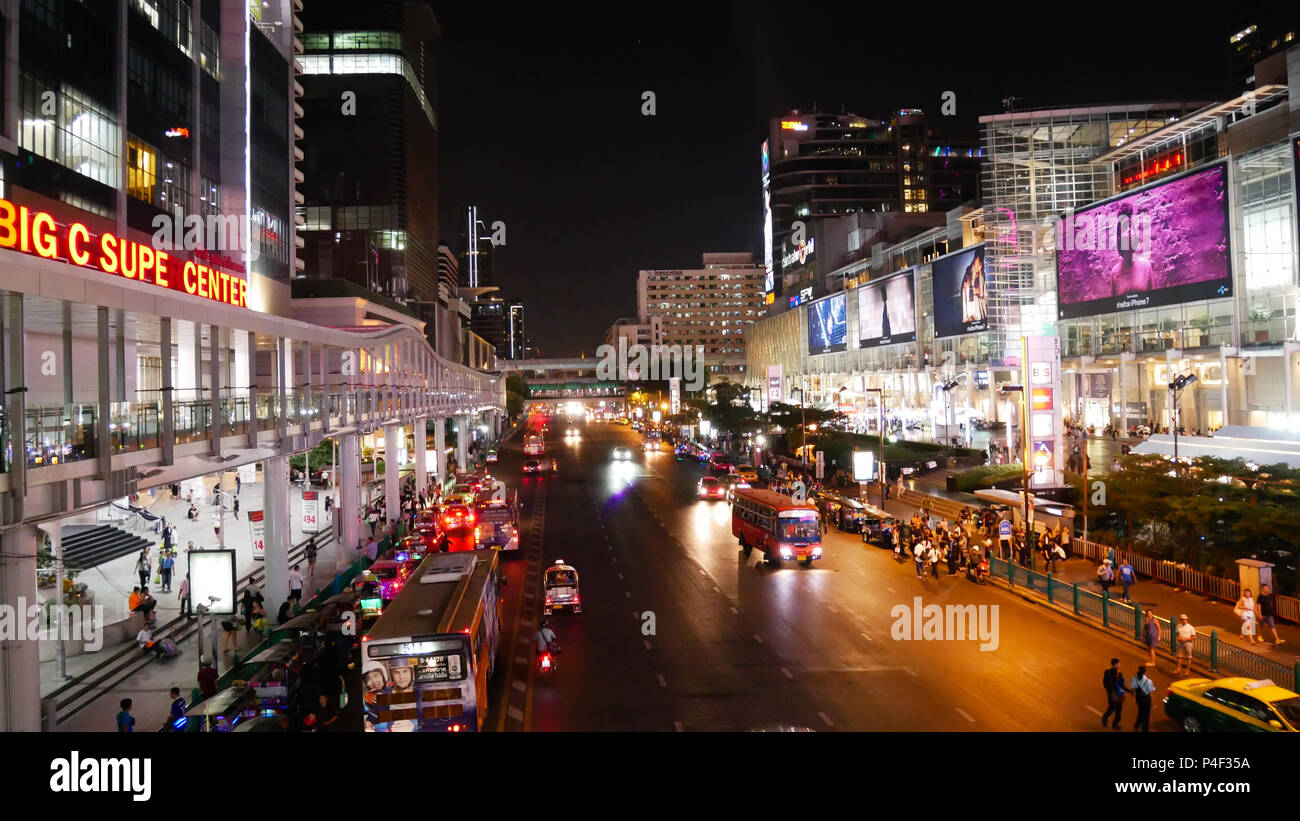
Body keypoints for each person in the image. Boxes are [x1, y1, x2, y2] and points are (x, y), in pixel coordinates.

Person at [1100, 658, 1126, 730]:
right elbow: (1120, 685)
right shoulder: (1111, 673)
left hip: (1114, 694)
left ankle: (1113, 723)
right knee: (1114, 709)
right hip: (1114, 694)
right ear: (1116, 664)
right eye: (1119, 663)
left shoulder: (1116, 673)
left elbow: (1105, 683)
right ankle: (1107, 719)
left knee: (1117, 709)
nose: (1120, 665)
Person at [1130, 665, 1155, 732]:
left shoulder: (1134, 678)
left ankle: (1137, 725)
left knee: (1141, 711)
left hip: (1138, 698)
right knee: (1146, 715)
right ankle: (1145, 729)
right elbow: (1151, 693)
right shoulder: (1149, 681)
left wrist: (1133, 697)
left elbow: (1132, 689)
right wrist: (1153, 703)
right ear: (1144, 672)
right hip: (1146, 699)